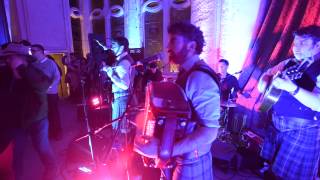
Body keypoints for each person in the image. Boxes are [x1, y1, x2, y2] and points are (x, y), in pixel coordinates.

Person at [134, 22, 221, 179]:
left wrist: (163, 150)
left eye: (174, 40)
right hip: (181, 157)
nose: (168, 46)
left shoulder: (199, 78)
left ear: (191, 46)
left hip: (190, 161)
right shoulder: (186, 72)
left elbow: (210, 132)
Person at [258, 25, 320, 179]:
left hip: (302, 130)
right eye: (295, 43)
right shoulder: (289, 63)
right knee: (270, 168)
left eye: (303, 43)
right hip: (276, 124)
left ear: (318, 45)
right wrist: (268, 80)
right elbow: (264, 80)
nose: (296, 47)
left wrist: (292, 89)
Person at [0, 42, 60, 180]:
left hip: (37, 117)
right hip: (16, 120)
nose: (7, 60)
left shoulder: (34, 70)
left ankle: (53, 171)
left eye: (11, 57)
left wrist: (22, 69)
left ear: (22, 57)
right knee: (16, 153)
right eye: (6, 58)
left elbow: (44, 84)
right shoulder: (5, 72)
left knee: (42, 147)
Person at [101, 36, 135, 134]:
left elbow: (124, 85)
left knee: (119, 130)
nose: (111, 47)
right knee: (122, 129)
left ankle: (119, 148)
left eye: (114, 45)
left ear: (122, 47)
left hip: (121, 99)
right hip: (123, 98)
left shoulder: (123, 62)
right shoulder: (124, 59)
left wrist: (109, 72)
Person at [31, 44, 62, 140]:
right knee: (43, 115)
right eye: (31, 51)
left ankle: (57, 133)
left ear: (40, 51)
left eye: (34, 51)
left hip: (51, 93)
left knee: (53, 113)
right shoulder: (33, 65)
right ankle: (47, 133)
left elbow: (57, 76)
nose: (32, 53)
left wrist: (49, 86)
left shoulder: (50, 63)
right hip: (39, 94)